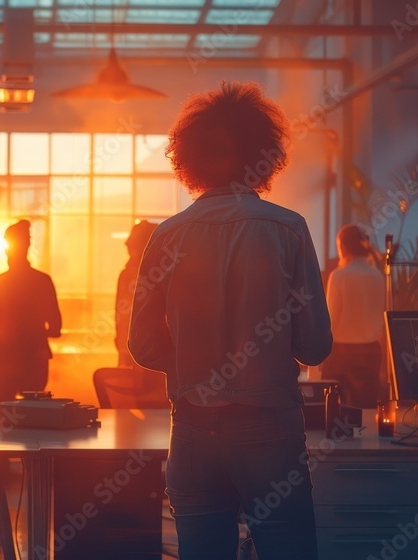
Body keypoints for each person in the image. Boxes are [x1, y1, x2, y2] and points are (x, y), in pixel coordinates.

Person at [129, 82, 332, 560]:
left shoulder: (167, 235)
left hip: (194, 431)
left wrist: (190, 367)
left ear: (189, 157)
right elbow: (315, 347)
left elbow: (141, 344)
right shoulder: (287, 228)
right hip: (269, 429)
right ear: (261, 153)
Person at [0, 220, 61, 405]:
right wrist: (36, 332)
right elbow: (56, 326)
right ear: (27, 246)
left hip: (3, 357)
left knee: (1, 414)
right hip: (34, 356)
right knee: (33, 412)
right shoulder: (42, 281)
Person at [322, 224, 385, 408]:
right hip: (371, 352)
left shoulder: (339, 276)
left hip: (341, 354)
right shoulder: (378, 276)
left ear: (342, 246)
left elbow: (330, 322)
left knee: (333, 409)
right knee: (366, 410)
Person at [115, 220, 158, 368]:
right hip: (143, 348)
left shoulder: (131, 275)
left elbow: (121, 315)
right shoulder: (160, 273)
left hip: (142, 348)